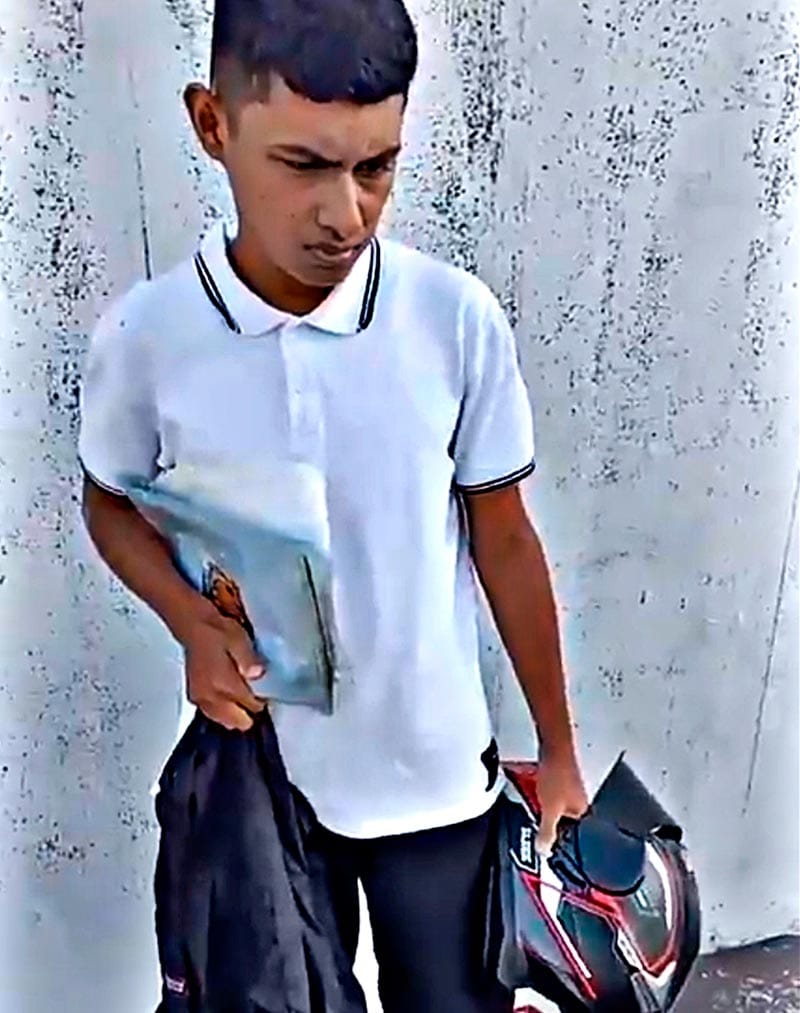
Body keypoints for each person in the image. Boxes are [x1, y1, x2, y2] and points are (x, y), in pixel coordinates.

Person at [78, 1, 589, 1010]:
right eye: (303, 165)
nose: (345, 214)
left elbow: (504, 538)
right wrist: (190, 623)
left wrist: (561, 749)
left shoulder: (452, 321)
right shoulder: (149, 339)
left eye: (375, 167)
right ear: (212, 124)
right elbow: (109, 504)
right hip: (263, 782)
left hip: (434, 778)